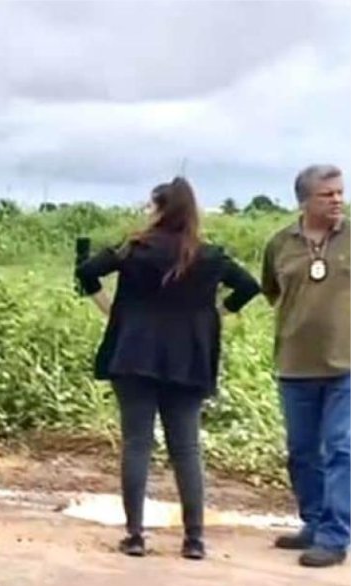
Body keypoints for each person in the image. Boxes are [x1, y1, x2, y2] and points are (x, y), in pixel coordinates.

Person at [75, 177, 261, 560]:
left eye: (151, 205)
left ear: (160, 209)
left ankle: (135, 536)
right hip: (188, 358)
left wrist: (110, 310)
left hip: (133, 354)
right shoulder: (209, 255)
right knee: (187, 449)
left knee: (137, 445)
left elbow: (87, 270)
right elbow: (249, 286)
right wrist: (215, 316)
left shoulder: (133, 249)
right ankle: (194, 540)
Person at [261, 164, 349, 568]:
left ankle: (335, 536)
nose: (336, 200)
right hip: (295, 365)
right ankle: (313, 523)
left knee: (341, 449)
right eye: (326, 194)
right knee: (301, 452)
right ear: (304, 200)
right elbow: (272, 292)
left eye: (339, 192)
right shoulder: (280, 243)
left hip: (346, 364)